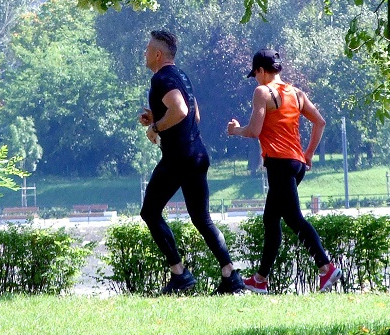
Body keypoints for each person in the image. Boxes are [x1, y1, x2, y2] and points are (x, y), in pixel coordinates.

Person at [138, 30, 245, 294]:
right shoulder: (181, 76)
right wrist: (158, 115)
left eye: (147, 49)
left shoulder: (161, 78)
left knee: (149, 212)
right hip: (197, 154)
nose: (144, 53)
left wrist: (157, 127)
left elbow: (182, 111)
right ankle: (231, 277)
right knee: (201, 218)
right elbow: (194, 116)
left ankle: (179, 273)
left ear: (158, 54)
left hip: (178, 157)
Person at [227, 48, 341, 293]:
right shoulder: (296, 93)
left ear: (260, 71)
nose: (255, 79)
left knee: (293, 217)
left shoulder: (262, 92)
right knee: (271, 219)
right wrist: (308, 154)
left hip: (279, 164)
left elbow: (255, 131)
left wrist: (235, 130)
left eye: (255, 74)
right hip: (296, 163)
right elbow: (320, 122)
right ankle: (260, 279)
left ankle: (325, 267)